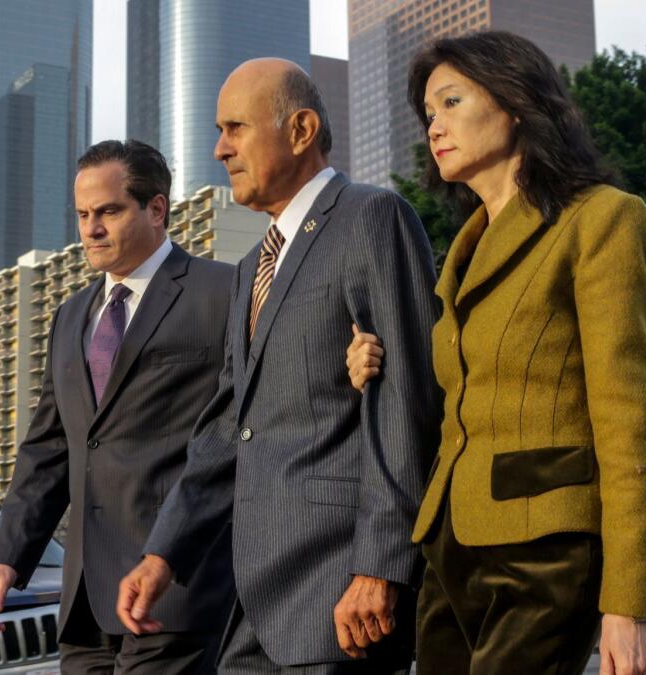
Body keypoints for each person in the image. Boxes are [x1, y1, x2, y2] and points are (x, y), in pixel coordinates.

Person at [347, 32, 646, 675]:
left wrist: (628, 606)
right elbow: (458, 400)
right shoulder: (460, 252)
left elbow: (627, 419)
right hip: (448, 545)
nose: (434, 125)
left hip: (545, 548)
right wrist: (372, 371)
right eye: (427, 112)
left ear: (516, 103)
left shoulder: (603, 219)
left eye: (451, 101)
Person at [115, 58, 441, 674]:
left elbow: (408, 402)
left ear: (300, 130)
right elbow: (225, 430)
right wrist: (163, 555)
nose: (219, 149)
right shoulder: (248, 270)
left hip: (344, 594)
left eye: (235, 128)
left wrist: (381, 565)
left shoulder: (373, 217)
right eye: (219, 130)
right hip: (256, 602)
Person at [0, 140, 237, 674]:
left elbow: (242, 431)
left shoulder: (223, 292)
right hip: (85, 602)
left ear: (156, 209)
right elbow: (49, 449)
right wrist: (7, 557)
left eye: (109, 211)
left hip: (175, 593)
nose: (91, 228)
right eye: (83, 215)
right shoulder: (71, 316)